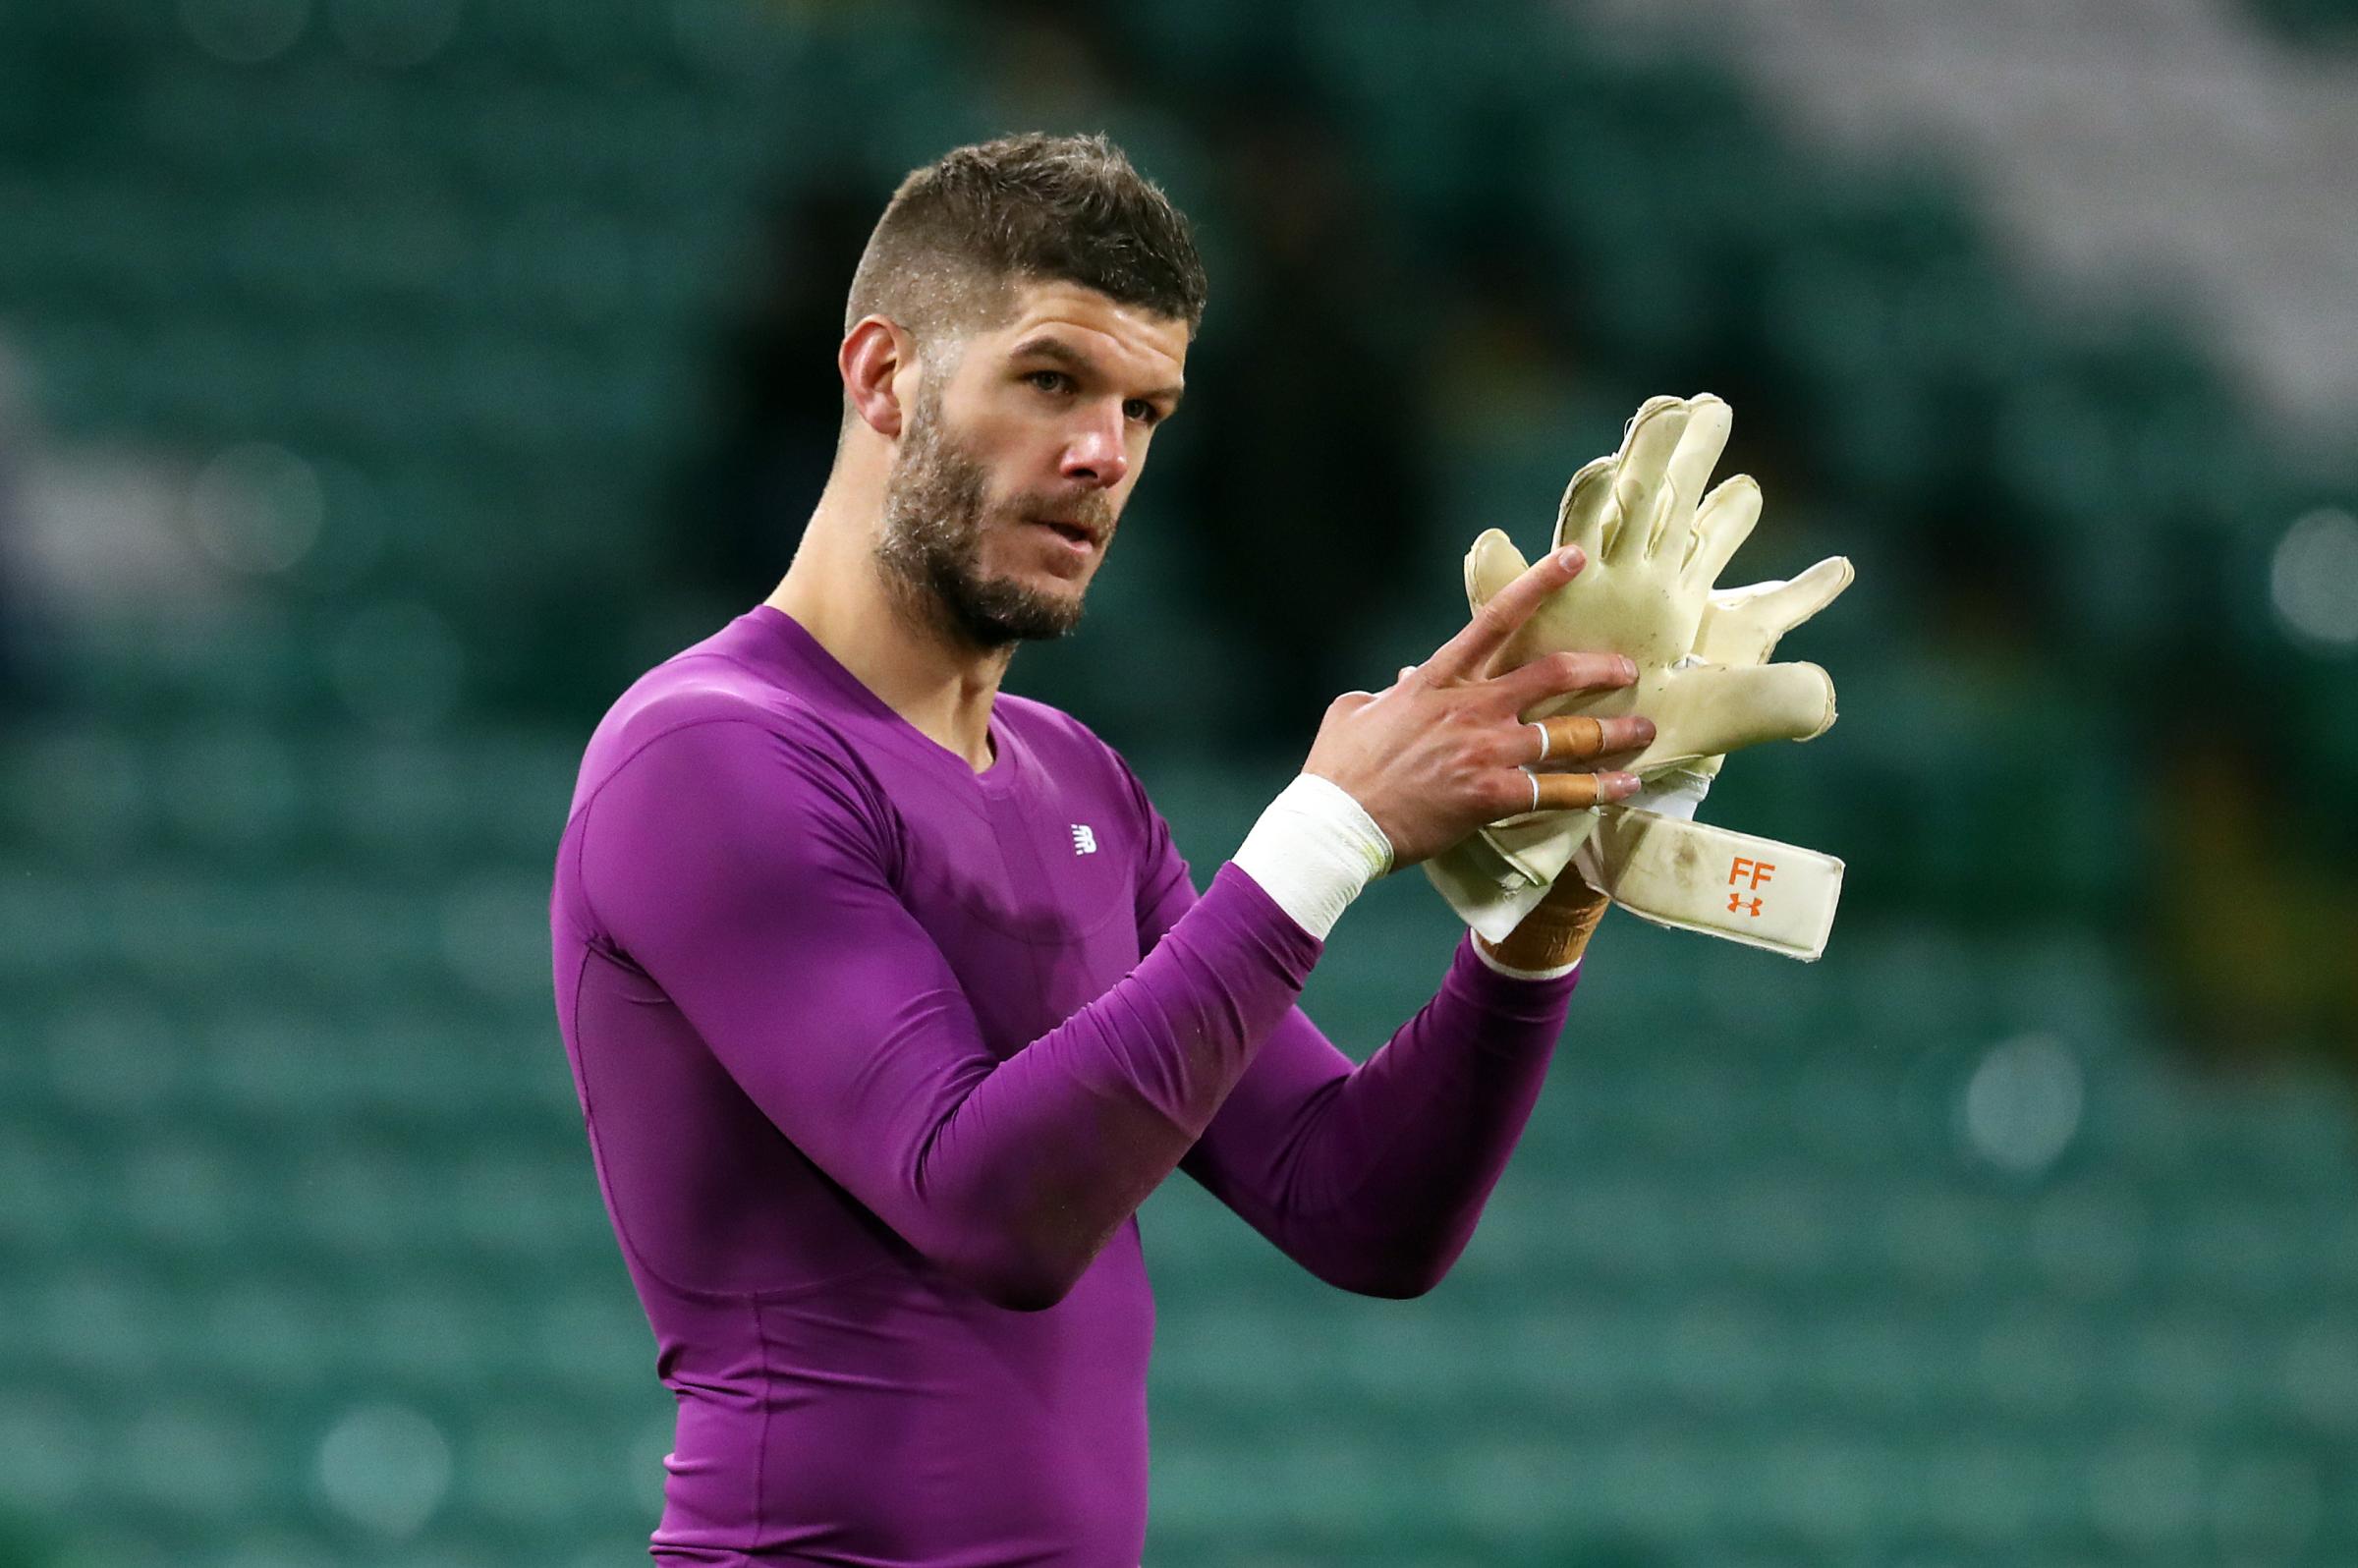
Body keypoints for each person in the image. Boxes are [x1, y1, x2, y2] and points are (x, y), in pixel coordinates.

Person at [549, 133, 1652, 1567]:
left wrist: (1543, 910)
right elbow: (984, 1204)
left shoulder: (1082, 782)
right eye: (1053, 380)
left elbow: (1358, 1205)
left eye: (1146, 408)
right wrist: (1329, 831)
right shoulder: (708, 753)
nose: (1101, 456)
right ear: (883, 376)